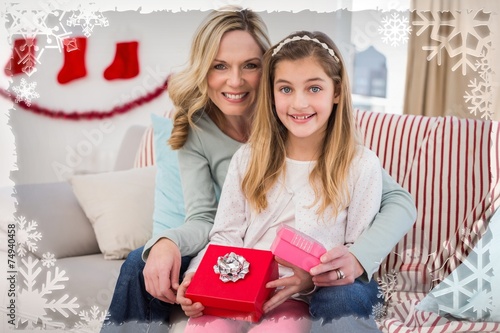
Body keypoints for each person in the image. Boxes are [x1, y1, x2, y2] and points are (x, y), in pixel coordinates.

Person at [101, 6, 417, 332]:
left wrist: (349, 262)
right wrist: (170, 245)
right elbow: (211, 224)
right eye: (220, 65)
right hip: (235, 261)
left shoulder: (346, 153)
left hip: (306, 281)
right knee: (137, 264)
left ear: (263, 70)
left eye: (250, 65)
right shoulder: (211, 137)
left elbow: (394, 204)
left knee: (336, 298)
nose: (235, 80)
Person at [177, 30, 385, 332]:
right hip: (236, 288)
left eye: (314, 88)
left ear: (336, 91)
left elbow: (352, 251)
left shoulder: (361, 165)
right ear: (272, 94)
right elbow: (225, 236)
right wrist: (196, 276)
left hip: (295, 298)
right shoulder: (248, 158)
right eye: (286, 89)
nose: (299, 103)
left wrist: (310, 280)